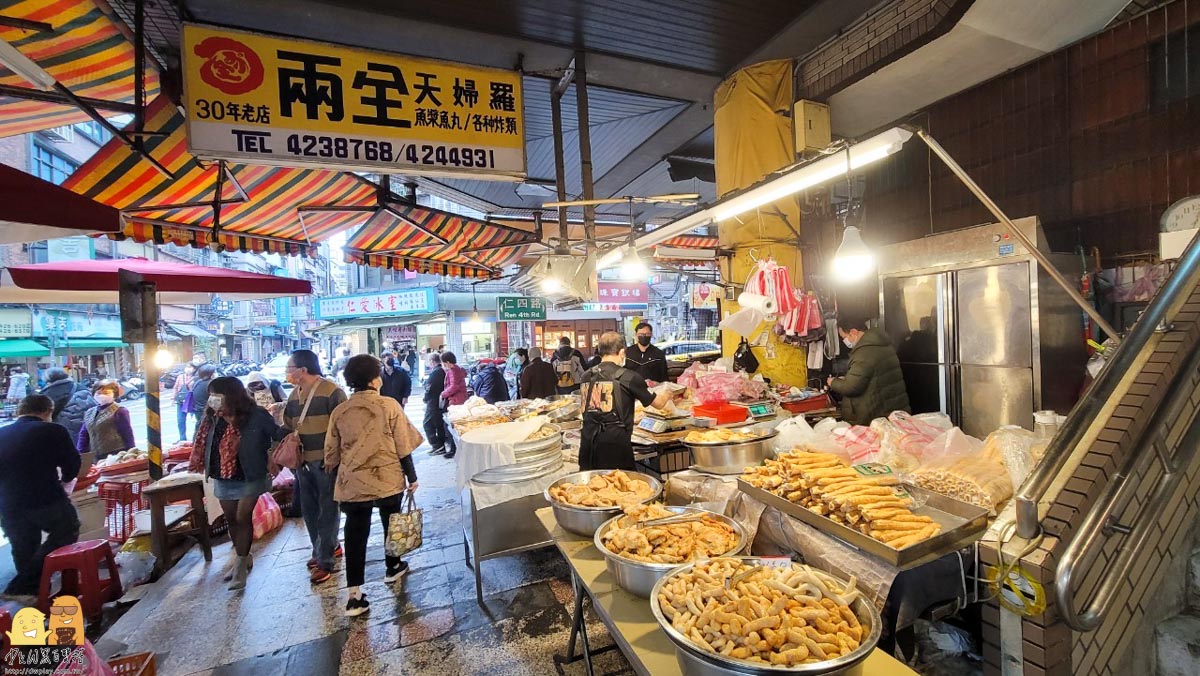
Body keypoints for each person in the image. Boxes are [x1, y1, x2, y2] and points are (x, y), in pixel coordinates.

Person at [325, 355, 422, 617]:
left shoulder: (340, 411)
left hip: (352, 482)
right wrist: (412, 477)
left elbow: (331, 455)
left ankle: (354, 595)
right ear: (374, 379)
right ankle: (393, 567)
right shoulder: (388, 406)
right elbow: (403, 445)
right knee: (390, 522)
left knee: (355, 534)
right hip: (386, 478)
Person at [188, 377, 287, 590]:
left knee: (243, 517)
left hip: (250, 473)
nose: (212, 400)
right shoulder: (212, 418)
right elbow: (202, 440)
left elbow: (277, 434)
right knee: (231, 519)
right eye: (211, 395)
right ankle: (243, 556)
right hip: (223, 474)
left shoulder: (256, 414)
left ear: (230, 395)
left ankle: (240, 567)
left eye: (217, 395)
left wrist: (272, 455)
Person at [0, 395, 82, 595]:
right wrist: (66, 479)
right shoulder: (53, 430)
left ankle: (32, 597)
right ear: (48, 411)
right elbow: (72, 465)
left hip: (9, 503)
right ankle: (22, 586)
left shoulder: (2, 433)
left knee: (23, 547)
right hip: (45, 498)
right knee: (68, 528)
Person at [283, 349, 348, 585]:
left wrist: (339, 458)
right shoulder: (293, 395)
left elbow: (345, 427)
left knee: (328, 509)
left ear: (303, 369)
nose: (288, 372)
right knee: (309, 510)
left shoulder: (332, 392)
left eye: (290, 368)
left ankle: (324, 561)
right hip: (302, 463)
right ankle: (323, 549)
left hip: (326, 462)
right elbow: (289, 425)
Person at [579, 332, 674, 471]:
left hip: (588, 443)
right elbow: (659, 404)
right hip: (615, 445)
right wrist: (667, 393)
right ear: (622, 352)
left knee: (592, 486)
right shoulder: (629, 377)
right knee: (622, 487)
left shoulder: (586, 376)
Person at [826, 315, 911, 425]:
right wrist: (848, 378)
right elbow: (870, 376)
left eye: (844, 337)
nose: (844, 341)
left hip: (878, 414)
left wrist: (832, 382)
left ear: (853, 332)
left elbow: (851, 387)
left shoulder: (864, 352)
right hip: (892, 410)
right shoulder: (881, 344)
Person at [77, 380, 134, 460]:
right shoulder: (89, 413)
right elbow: (84, 435)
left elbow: (127, 434)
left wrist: (131, 453)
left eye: (106, 393)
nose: (102, 396)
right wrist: (81, 453)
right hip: (96, 457)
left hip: (117, 455)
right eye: (99, 393)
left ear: (114, 394)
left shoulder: (119, 411)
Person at [439, 352, 468, 459]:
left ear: (447, 362)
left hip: (456, 400)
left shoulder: (453, 371)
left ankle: (454, 450)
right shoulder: (457, 369)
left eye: (443, 362)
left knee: (452, 426)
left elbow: (454, 386)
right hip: (459, 399)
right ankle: (454, 449)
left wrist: (443, 394)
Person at [422, 353, 450, 456]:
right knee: (439, 424)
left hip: (434, 401)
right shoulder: (443, 371)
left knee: (427, 424)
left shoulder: (435, 373)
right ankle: (441, 445)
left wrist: (425, 399)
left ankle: (437, 445)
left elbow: (430, 388)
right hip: (442, 401)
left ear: (432, 361)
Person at [190, 364, 217, 437]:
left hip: (198, 410)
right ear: (211, 374)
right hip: (207, 412)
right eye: (215, 372)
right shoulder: (211, 384)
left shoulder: (197, 383)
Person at [172, 364, 197, 443]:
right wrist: (173, 398)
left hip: (192, 402)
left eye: (190, 367)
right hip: (181, 402)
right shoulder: (180, 377)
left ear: (194, 369)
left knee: (196, 420)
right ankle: (182, 438)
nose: (188, 369)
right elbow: (175, 388)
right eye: (187, 367)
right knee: (180, 421)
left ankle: (196, 438)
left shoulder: (196, 378)